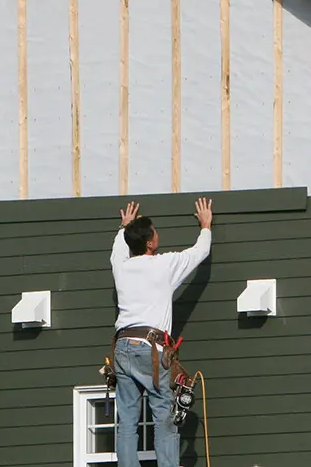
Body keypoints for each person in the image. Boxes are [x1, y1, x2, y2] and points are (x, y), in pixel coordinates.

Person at [110, 198, 213, 467]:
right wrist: (205, 225)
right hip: (150, 348)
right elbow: (198, 253)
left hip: (122, 347)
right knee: (163, 415)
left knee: (128, 421)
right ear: (149, 244)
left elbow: (117, 249)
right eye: (154, 232)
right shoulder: (163, 265)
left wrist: (124, 226)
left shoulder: (121, 267)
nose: (158, 235)